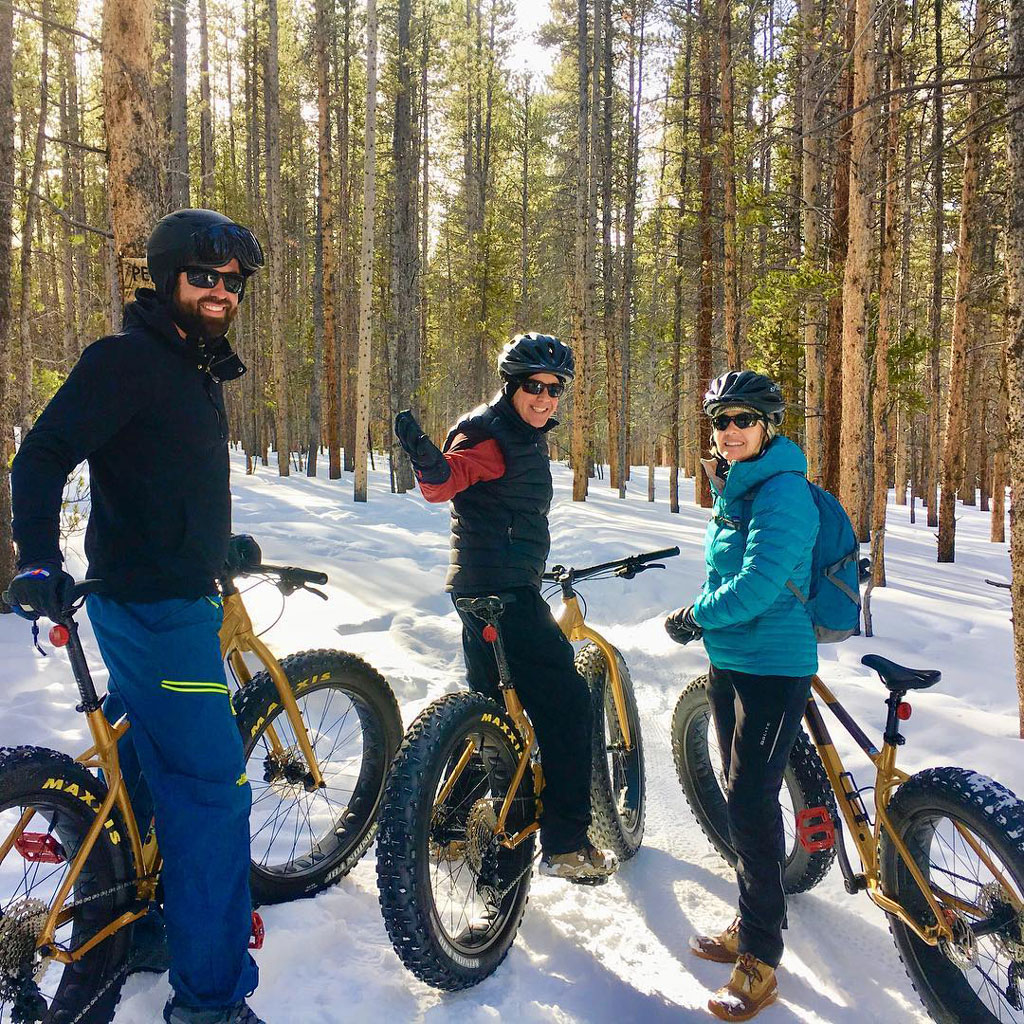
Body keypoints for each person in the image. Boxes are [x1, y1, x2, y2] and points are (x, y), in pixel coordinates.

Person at [7, 209, 267, 1024]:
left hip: (173, 591)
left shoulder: (190, 366)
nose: (221, 292)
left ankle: (151, 922)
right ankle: (212, 1004)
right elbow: (42, 452)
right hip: (156, 614)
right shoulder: (128, 360)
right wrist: (38, 559)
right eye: (203, 277)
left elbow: (159, 477)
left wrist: (215, 547)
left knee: (151, 767)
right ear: (166, 279)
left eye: (232, 282)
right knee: (213, 799)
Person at [394, 332, 616, 881]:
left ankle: (447, 827)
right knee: (565, 702)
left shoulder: (519, 434)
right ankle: (566, 842)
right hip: (503, 593)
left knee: (492, 711)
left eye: (554, 389)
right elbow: (448, 480)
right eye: (534, 388)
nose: (544, 399)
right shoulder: (490, 435)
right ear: (512, 386)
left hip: (484, 589)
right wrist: (426, 458)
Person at [665, 370, 819, 1022]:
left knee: (752, 804)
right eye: (721, 421)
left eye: (742, 420)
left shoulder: (783, 493)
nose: (729, 432)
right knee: (742, 794)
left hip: (773, 667)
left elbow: (758, 585)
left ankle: (759, 958)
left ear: (768, 426)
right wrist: (711, 628)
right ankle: (749, 918)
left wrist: (697, 613)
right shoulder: (738, 487)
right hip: (732, 662)